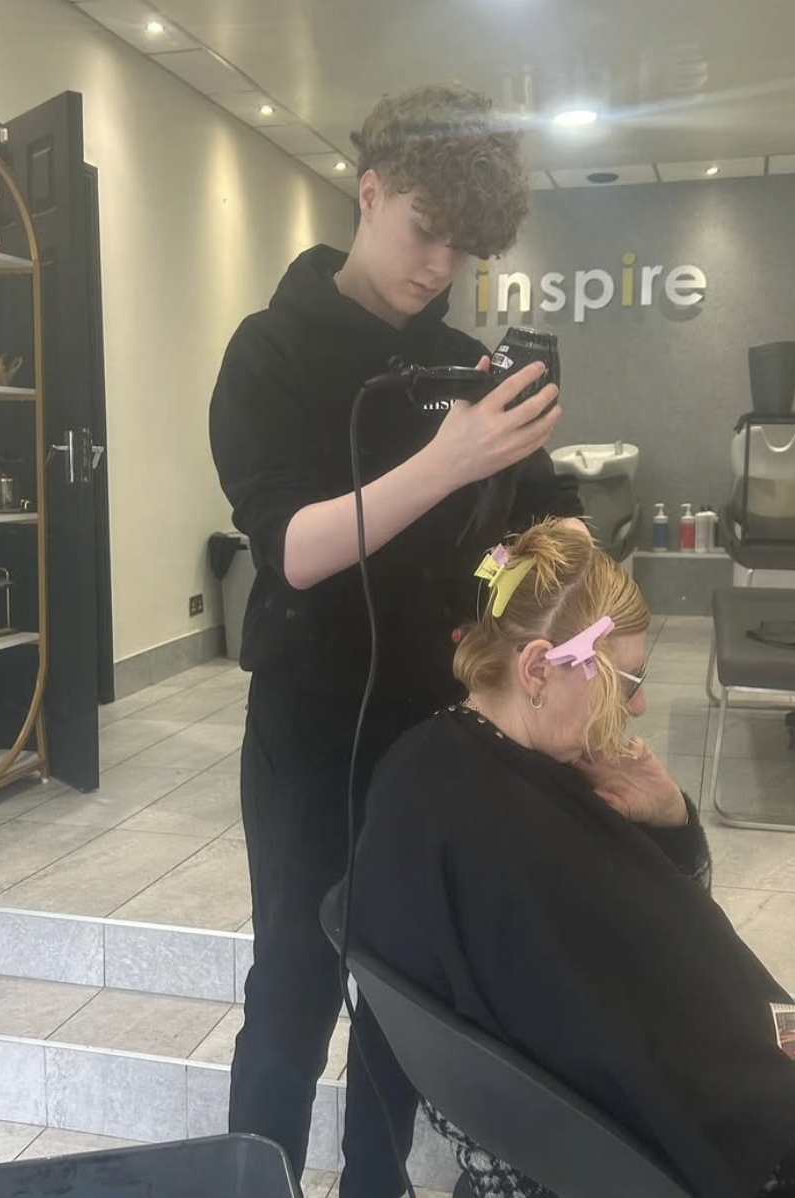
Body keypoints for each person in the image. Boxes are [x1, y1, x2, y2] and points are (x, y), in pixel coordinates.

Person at [209, 83, 583, 1192]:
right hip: (309, 730)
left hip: (439, 730)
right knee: (292, 991)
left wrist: (555, 563)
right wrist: (449, 462)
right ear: (368, 193)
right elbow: (292, 548)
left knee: (407, 1003)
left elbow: (544, 532)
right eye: (426, 233)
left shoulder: (467, 366)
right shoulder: (266, 351)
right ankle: (255, 1179)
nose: (438, 267)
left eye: (462, 251)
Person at [350, 518, 795, 1197]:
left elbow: (638, 954)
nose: (638, 705)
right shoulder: (517, 842)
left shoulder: (426, 762)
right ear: (535, 670)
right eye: (627, 678)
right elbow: (658, 1081)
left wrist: (670, 823)